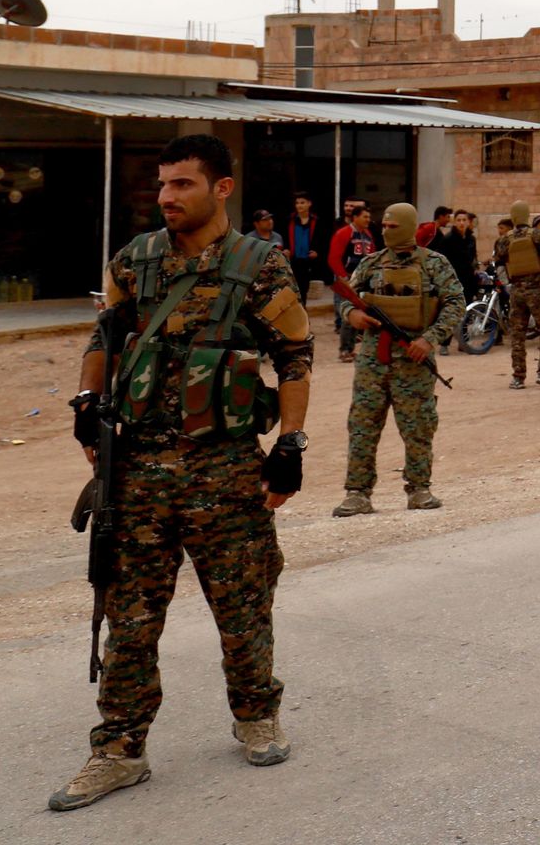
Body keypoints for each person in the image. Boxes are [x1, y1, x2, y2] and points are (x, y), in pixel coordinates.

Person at [50, 134, 312, 811]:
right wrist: (86, 402)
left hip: (224, 469)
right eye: (162, 185)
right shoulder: (135, 259)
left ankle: (256, 714)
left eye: (182, 185)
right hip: (135, 470)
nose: (166, 196)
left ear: (221, 189)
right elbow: (103, 336)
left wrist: (291, 443)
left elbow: (294, 357)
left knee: (243, 605)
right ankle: (117, 750)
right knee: (128, 619)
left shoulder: (260, 266)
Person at [333, 203, 466, 517]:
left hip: (413, 360)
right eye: (384, 227)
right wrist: (352, 314)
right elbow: (346, 298)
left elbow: (455, 304)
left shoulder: (434, 264)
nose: (385, 231)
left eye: (393, 227)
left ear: (407, 227)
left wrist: (429, 338)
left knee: (418, 427)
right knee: (362, 426)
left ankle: (419, 489)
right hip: (372, 361)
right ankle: (357, 493)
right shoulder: (371, 263)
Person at [497, 202, 540, 389]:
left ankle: (518, 377)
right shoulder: (538, 235)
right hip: (538, 290)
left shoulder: (505, 239)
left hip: (516, 292)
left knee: (518, 335)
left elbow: (500, 257)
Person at [329, 207, 375, 364]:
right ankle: (345, 350)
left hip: (362, 280)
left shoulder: (368, 235)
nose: (368, 219)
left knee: (360, 311)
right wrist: (342, 277)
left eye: (369, 216)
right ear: (355, 217)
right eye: (365, 216)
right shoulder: (343, 233)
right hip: (347, 279)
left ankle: (352, 348)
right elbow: (333, 257)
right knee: (348, 313)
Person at [431, 210, 478, 356]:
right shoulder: (448, 239)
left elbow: (473, 258)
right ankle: (445, 343)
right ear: (454, 222)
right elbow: (440, 260)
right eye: (459, 220)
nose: (462, 223)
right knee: (450, 311)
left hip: (468, 280)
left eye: (464, 220)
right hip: (452, 281)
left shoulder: (471, 239)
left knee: (467, 310)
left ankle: (463, 342)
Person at [283, 193, 321, 293]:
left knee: (304, 289)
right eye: (297, 203)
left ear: (309, 204)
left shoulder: (316, 221)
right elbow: (284, 237)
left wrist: (317, 252)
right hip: (293, 259)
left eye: (302, 203)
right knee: (291, 288)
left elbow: (322, 241)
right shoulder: (289, 220)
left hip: (308, 260)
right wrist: (285, 249)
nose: (299, 205)